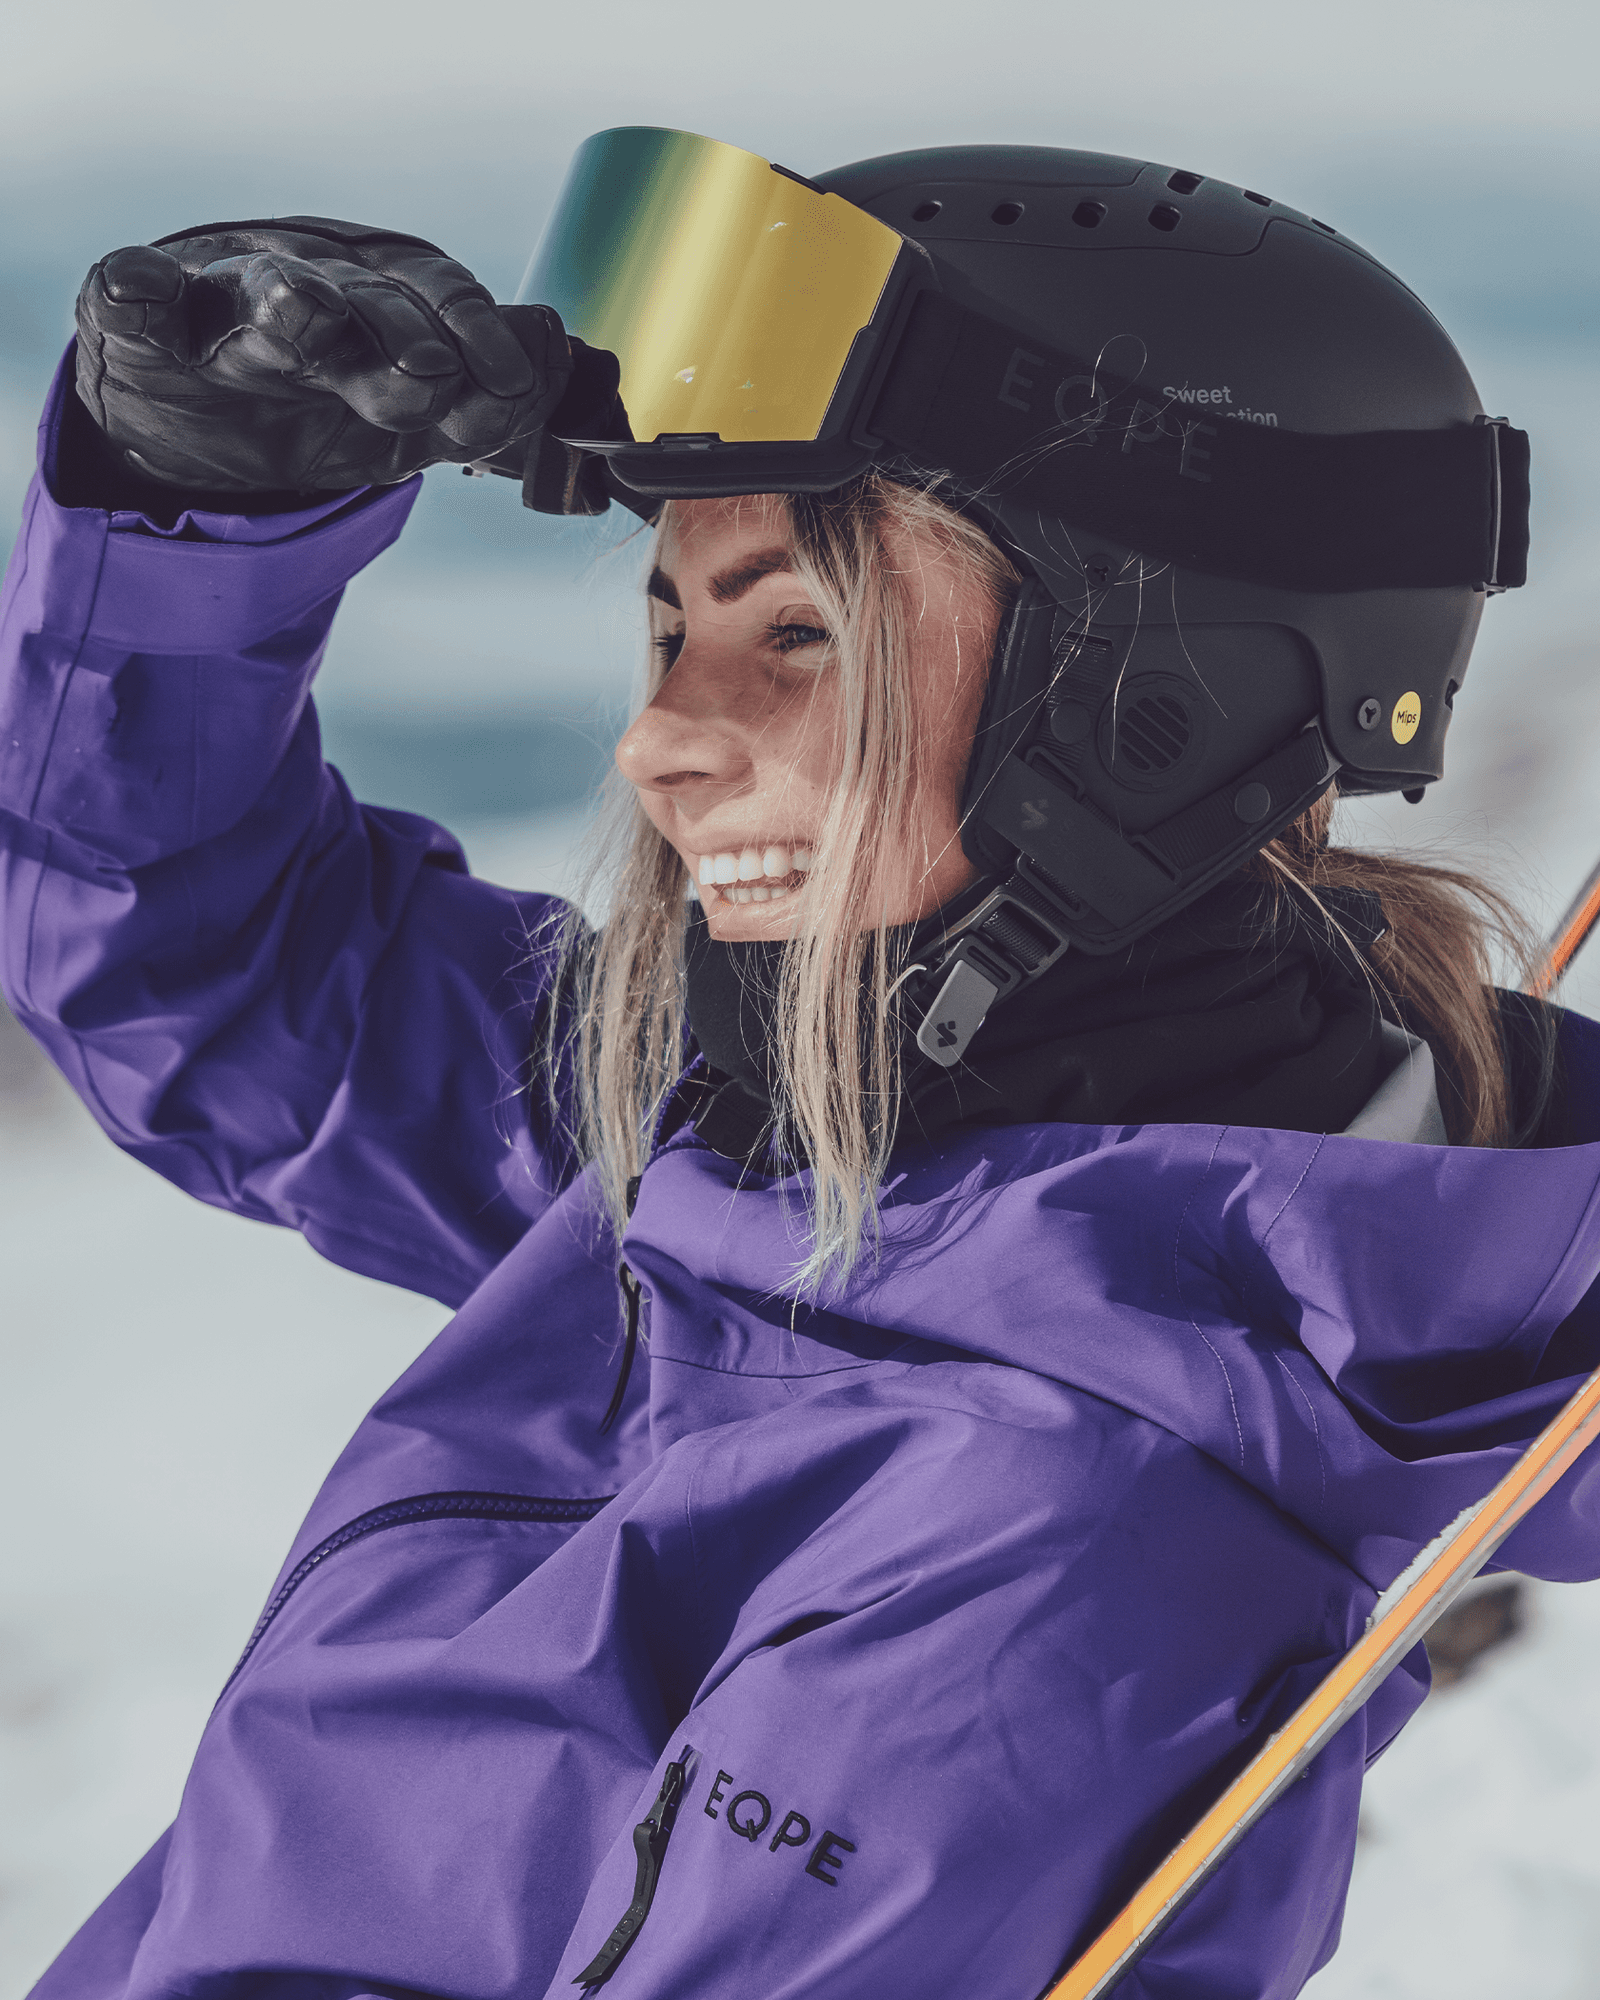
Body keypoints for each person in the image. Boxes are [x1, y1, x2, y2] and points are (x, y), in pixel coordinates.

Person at [4, 131, 1600, 2000]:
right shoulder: (763, 1144)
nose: (659, 743)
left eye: (796, 632)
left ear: (1136, 719)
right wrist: (191, 509)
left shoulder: (1058, 1550)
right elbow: (206, 968)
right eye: (670, 625)